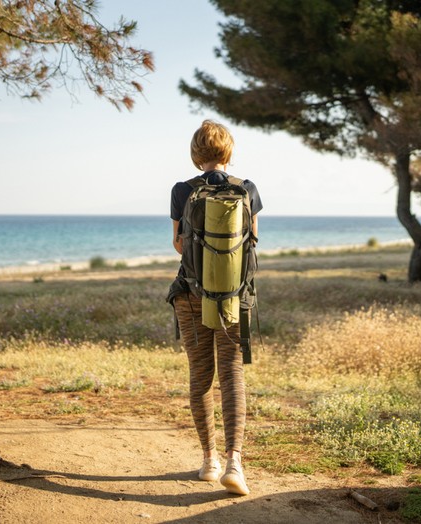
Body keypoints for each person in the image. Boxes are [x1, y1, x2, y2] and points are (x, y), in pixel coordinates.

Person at [168, 120, 262, 496]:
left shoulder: (182, 191)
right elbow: (252, 243)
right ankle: (235, 461)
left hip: (190, 295)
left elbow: (177, 245)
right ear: (228, 151)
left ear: (196, 154)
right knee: (232, 375)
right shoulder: (248, 189)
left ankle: (209, 460)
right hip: (235, 297)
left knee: (201, 375)